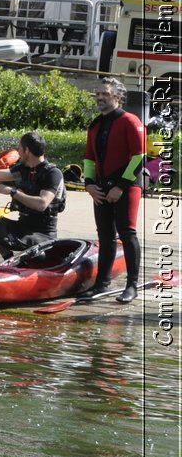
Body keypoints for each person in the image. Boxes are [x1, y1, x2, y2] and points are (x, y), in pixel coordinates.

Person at [81, 77, 147, 303]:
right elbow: (89, 158)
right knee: (105, 236)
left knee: (127, 233)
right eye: (97, 94)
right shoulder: (95, 125)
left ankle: (132, 285)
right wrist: (89, 184)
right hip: (100, 188)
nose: (99, 97)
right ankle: (102, 283)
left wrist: (120, 186)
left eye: (105, 94)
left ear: (117, 97)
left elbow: (140, 156)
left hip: (126, 187)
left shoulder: (130, 121)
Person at [0, 131, 65, 258]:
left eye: (19, 148)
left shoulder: (53, 173)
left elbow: (42, 204)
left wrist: (12, 191)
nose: (18, 151)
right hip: (24, 224)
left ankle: (30, 261)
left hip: (43, 232)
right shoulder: (24, 168)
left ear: (27, 150)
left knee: (38, 256)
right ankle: (8, 259)